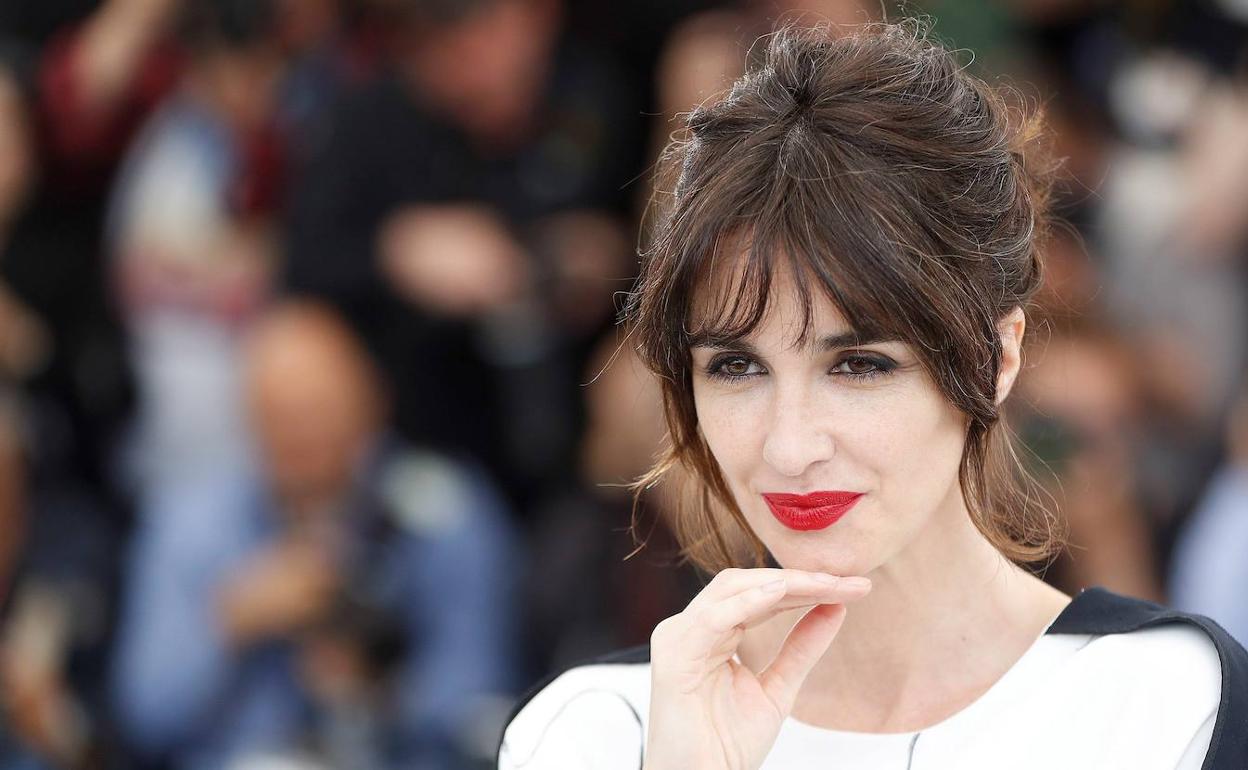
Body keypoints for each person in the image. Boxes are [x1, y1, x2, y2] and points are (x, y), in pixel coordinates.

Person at [497, 20, 1248, 770]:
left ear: (997, 355)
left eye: (858, 366)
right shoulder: (588, 731)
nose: (790, 447)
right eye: (736, 367)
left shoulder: (1163, 703)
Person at [112, 301, 520, 770]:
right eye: (280, 417)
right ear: (249, 421)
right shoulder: (192, 523)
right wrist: (231, 620)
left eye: (319, 411)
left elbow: (481, 699)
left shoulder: (445, 513)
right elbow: (145, 719)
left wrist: (379, 686)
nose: (301, 436)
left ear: (372, 402)